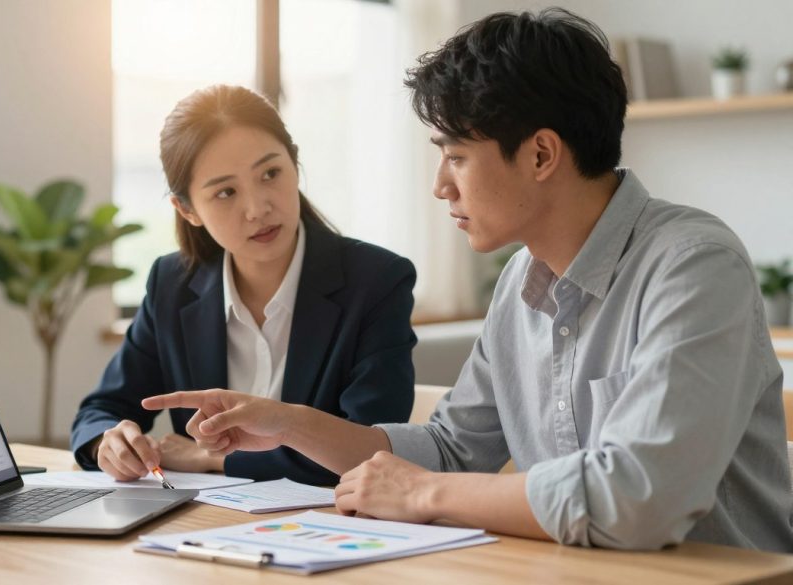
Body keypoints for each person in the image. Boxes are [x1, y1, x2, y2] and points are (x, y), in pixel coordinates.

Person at [143, 9, 793, 551]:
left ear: (541, 154)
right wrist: (290, 424)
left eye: (455, 155)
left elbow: (639, 497)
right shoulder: (519, 284)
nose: (439, 185)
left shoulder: (694, 267)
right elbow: (452, 450)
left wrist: (424, 496)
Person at [70, 85, 417, 486]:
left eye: (271, 173)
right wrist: (109, 443)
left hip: (333, 522)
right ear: (187, 210)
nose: (258, 208)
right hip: (204, 526)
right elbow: (102, 409)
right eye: (225, 192)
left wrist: (213, 460)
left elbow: (370, 448)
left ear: (295, 163)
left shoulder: (376, 281)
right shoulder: (172, 285)